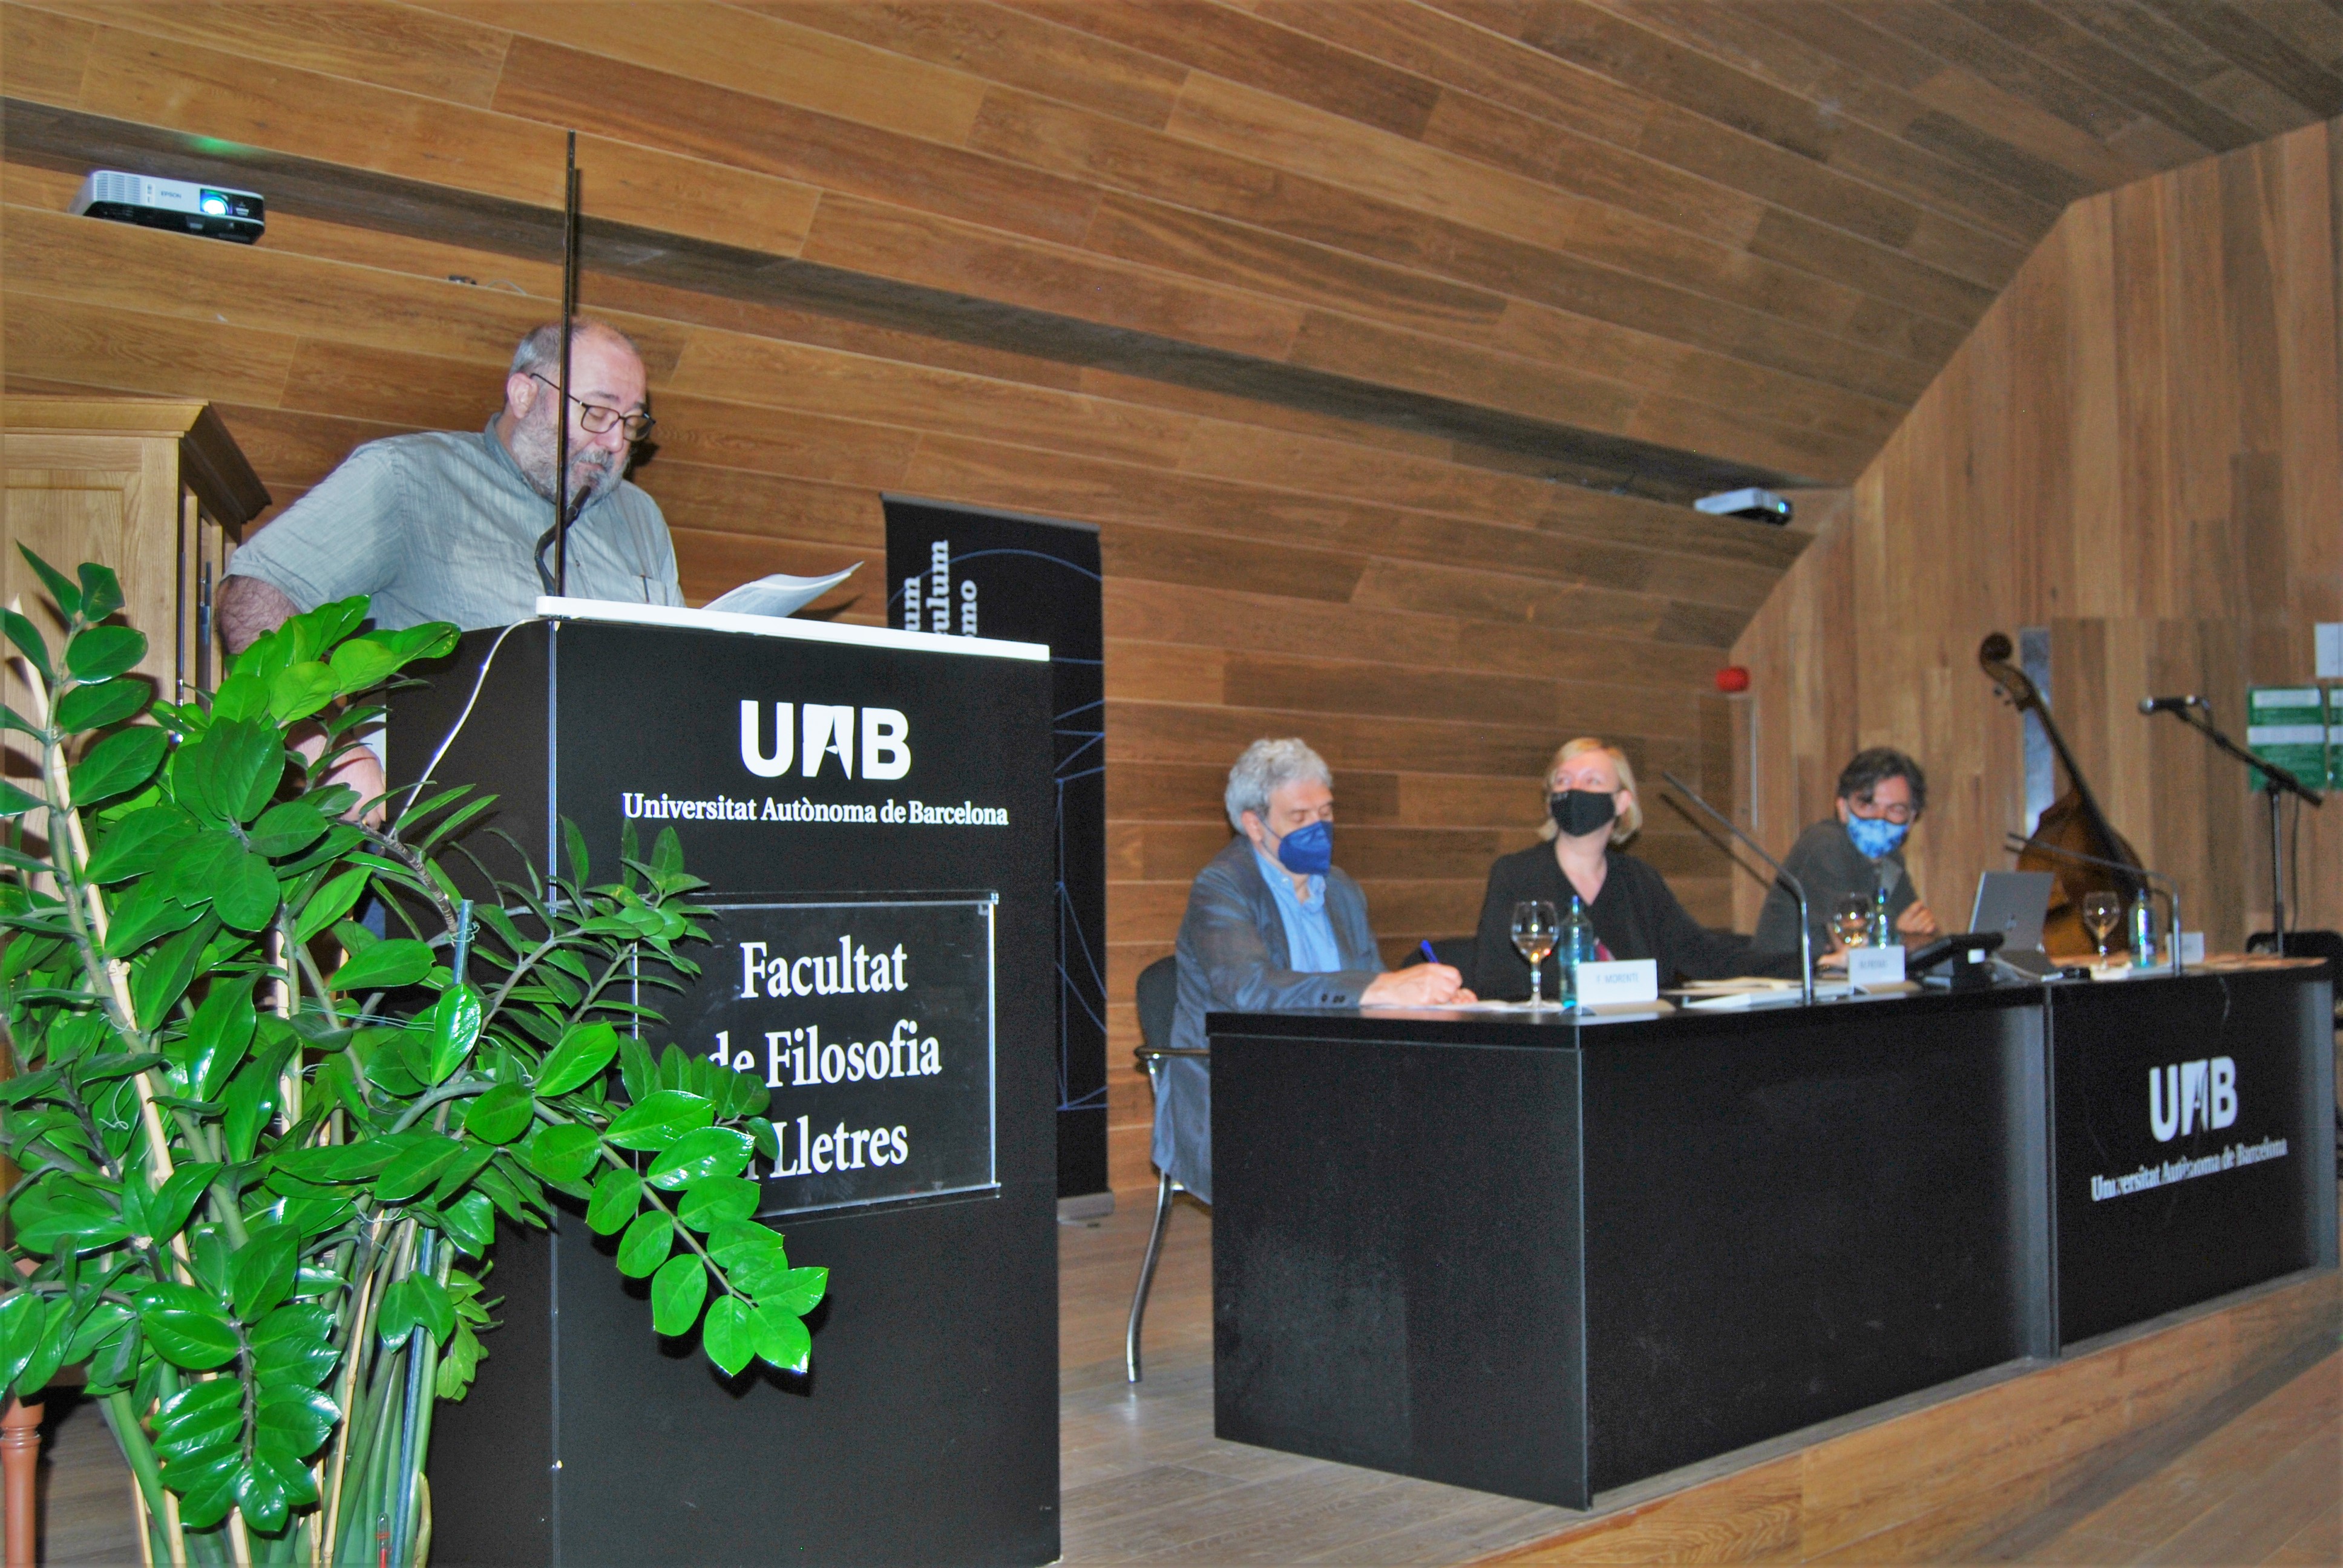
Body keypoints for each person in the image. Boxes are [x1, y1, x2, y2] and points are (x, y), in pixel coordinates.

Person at [217, 317, 684, 810]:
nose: (615, 444)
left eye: (632, 423)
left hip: (624, 821)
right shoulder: (406, 478)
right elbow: (255, 592)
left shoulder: (640, 518)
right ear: (525, 395)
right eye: (597, 412)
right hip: (450, 834)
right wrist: (326, 746)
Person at [1153, 738, 1472, 1203]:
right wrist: (1381, 987)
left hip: (1340, 1079)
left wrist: (1428, 1001)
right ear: (1254, 825)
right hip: (1247, 1088)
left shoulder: (1340, 889)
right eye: (1299, 820)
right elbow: (1250, 990)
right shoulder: (1220, 887)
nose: (1318, 830)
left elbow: (1374, 992)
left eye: (1325, 814)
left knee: (1455, 1115)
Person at [1471, 737, 1756, 998]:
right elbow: (1496, 980)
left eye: (1592, 781)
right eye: (1563, 781)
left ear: (1621, 802)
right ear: (1549, 802)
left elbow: (1701, 953)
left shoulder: (1639, 880)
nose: (1574, 791)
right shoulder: (1516, 874)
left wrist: (1795, 962)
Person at [1752, 748, 1941, 965]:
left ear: (1910, 820)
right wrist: (1896, 933)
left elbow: (1929, 940)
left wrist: (1897, 936)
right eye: (1868, 805)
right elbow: (1853, 950)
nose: (1880, 818)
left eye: (1895, 809)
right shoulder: (1825, 845)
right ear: (1843, 808)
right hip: (1788, 987)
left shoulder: (1890, 860)